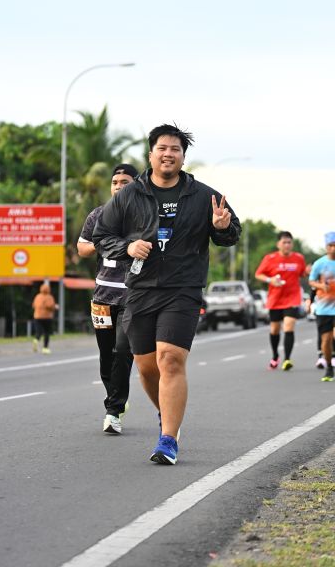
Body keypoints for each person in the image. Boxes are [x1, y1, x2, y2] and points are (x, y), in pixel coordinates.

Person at [93, 123, 241, 464]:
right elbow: (101, 236)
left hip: (183, 289)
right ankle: (167, 412)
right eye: (162, 148)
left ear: (183, 157)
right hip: (140, 289)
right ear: (151, 154)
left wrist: (222, 228)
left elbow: (232, 232)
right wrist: (128, 247)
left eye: (175, 149)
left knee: (171, 359)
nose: (168, 154)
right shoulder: (130, 195)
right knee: (147, 368)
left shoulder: (204, 196)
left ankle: (168, 439)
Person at [77, 164, 138, 434]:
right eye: (115, 182)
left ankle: (113, 410)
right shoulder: (98, 215)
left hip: (133, 296)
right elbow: (82, 248)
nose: (118, 186)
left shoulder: (145, 216)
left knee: (122, 351)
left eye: (125, 182)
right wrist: (101, 243)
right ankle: (116, 396)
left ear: (136, 185)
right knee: (106, 357)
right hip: (102, 297)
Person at [255, 231, 307, 371]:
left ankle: (287, 359)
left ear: (292, 244)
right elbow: (258, 274)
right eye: (284, 242)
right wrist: (270, 280)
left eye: (289, 242)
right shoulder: (270, 258)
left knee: (289, 326)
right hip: (275, 299)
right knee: (274, 329)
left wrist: (309, 271)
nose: (287, 245)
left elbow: (303, 273)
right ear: (278, 244)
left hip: (292, 298)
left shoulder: (299, 258)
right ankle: (275, 356)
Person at [309, 232, 335, 382]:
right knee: (326, 341)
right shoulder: (319, 263)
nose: (333, 249)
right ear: (326, 247)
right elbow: (311, 281)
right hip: (324, 308)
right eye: (330, 245)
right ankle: (329, 367)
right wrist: (321, 286)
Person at [32, 282, 59, 354]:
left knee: (38, 332)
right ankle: (45, 348)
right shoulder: (49, 297)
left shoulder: (37, 296)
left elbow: (33, 305)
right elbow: (49, 306)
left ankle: (36, 340)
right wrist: (55, 307)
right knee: (47, 332)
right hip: (47, 317)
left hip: (37, 317)